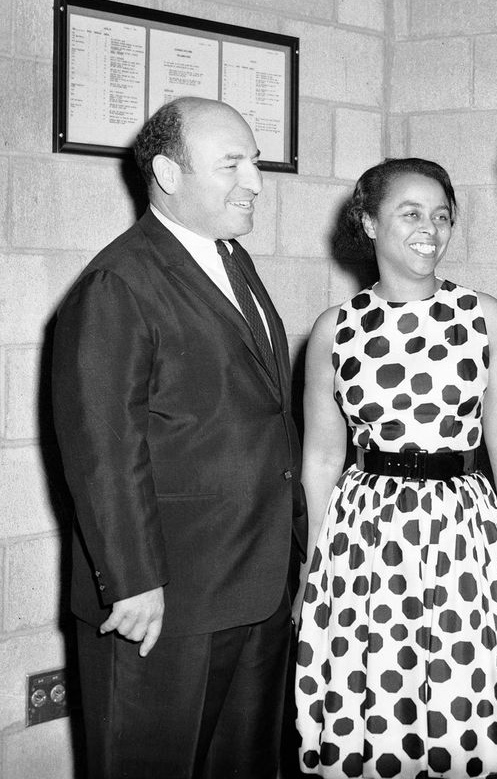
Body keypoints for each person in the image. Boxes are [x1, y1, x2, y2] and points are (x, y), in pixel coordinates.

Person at [51, 96, 306, 779]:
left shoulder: (231, 260)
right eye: (232, 164)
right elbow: (103, 445)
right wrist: (133, 584)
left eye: (253, 161)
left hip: (252, 588)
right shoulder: (118, 282)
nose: (254, 181)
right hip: (164, 605)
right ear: (167, 172)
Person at [294, 157, 497, 779]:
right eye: (410, 213)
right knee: (373, 708)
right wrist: (314, 569)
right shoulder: (334, 330)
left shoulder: (482, 316)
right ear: (369, 223)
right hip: (364, 546)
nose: (430, 228)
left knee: (466, 709)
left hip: (463, 540)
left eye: (441, 216)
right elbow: (321, 458)